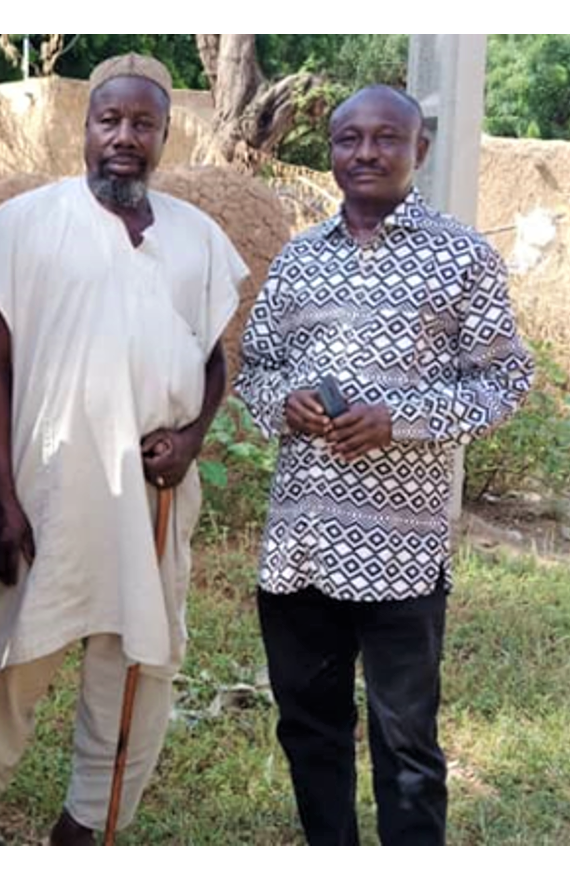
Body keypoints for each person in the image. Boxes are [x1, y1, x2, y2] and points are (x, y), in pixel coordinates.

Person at [0, 54, 249, 846]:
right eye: (109, 119)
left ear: (166, 135)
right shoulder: (23, 226)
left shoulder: (200, 239)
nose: (124, 136)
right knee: (8, 668)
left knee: (138, 671)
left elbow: (213, 361)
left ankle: (87, 824)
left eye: (143, 123)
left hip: (153, 498)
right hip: (45, 493)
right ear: (84, 128)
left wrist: (191, 441)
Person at [233, 85, 526, 846]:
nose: (366, 152)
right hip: (300, 547)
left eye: (387, 138)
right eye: (349, 138)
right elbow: (254, 369)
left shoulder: (462, 256)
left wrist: (400, 420)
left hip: (401, 551)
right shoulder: (298, 259)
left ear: (418, 149)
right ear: (330, 150)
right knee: (309, 727)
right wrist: (287, 402)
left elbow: (504, 380)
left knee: (407, 745)